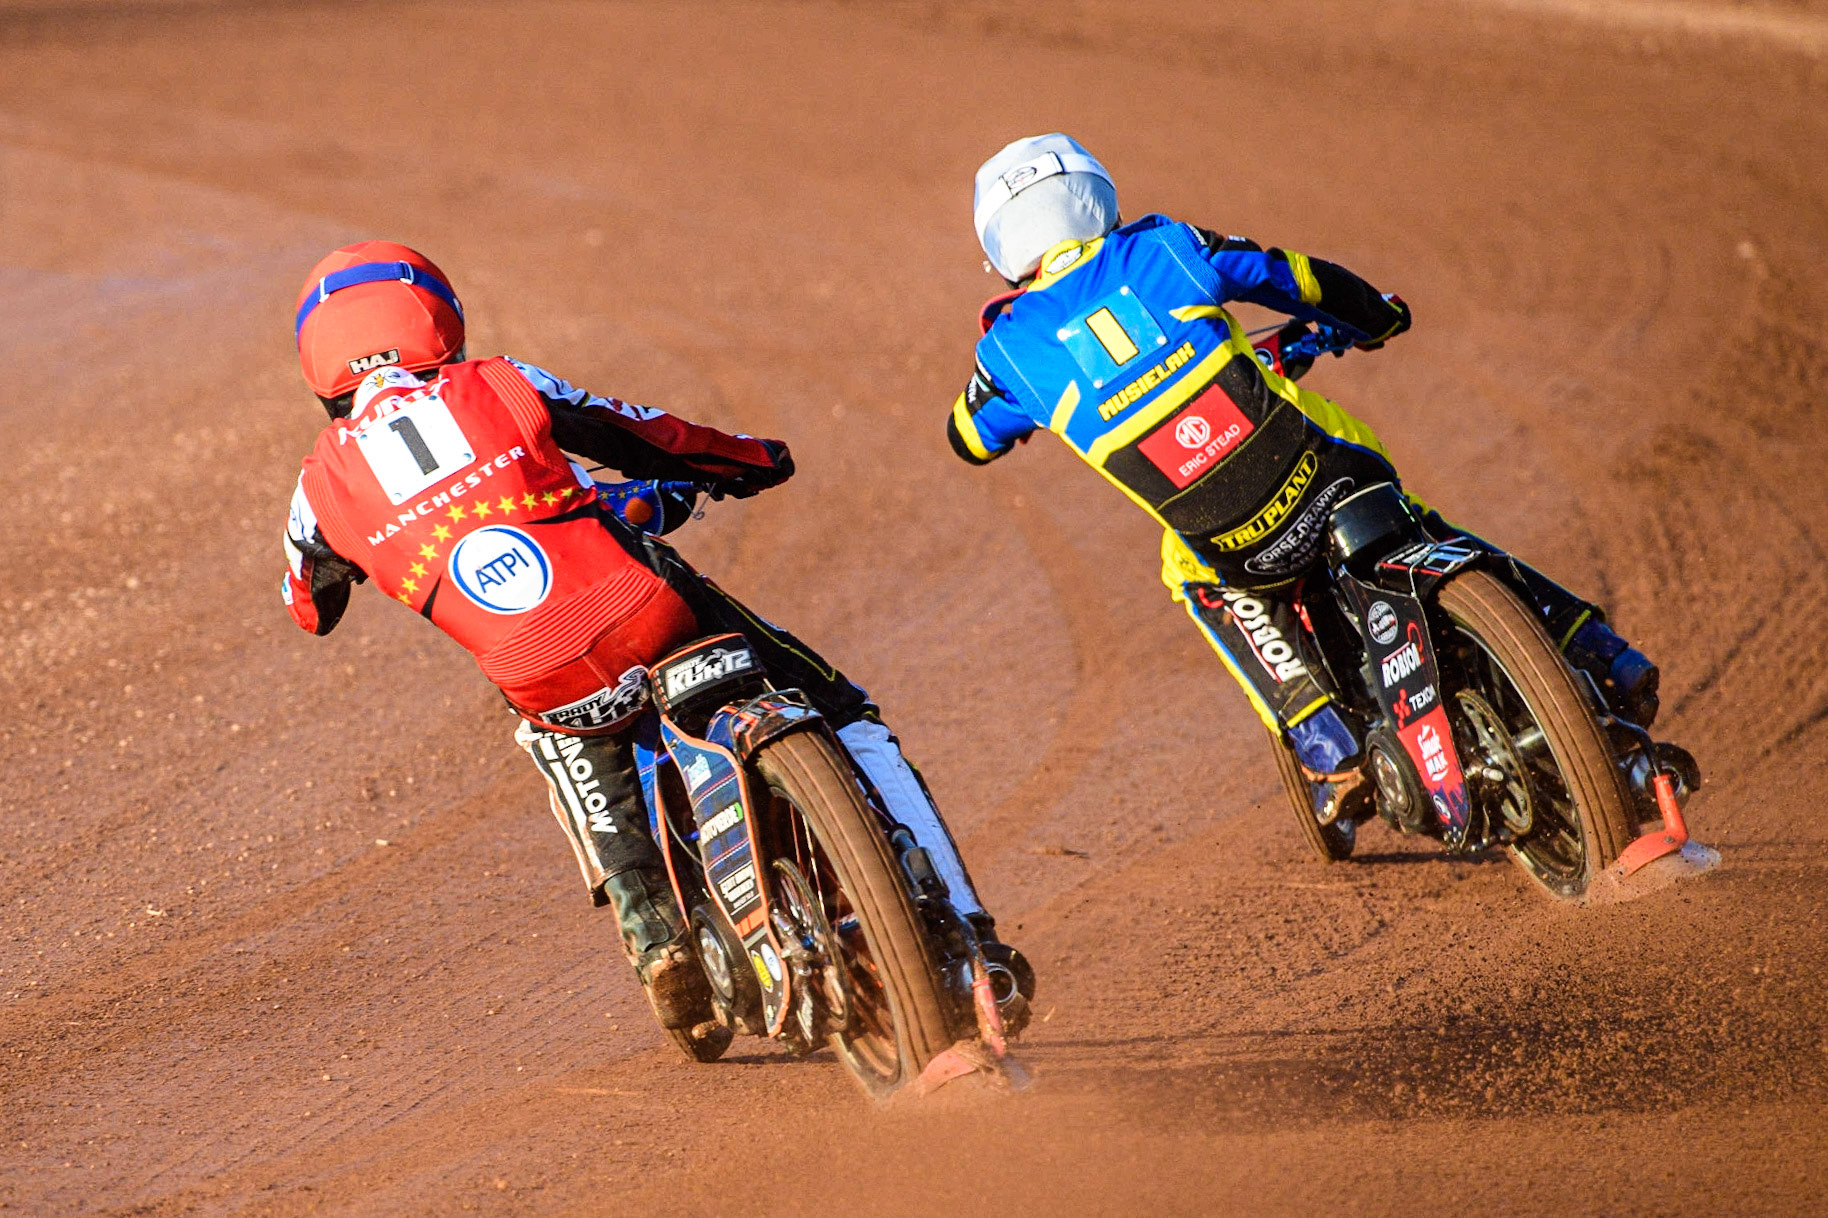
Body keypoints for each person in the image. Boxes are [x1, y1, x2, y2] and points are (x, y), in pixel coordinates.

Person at [282, 241, 1024, 1037]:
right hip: (645, 609)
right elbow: (648, 436)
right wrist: (751, 460)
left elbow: (308, 606)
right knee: (844, 711)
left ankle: (655, 935)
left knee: (558, 727)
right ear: (441, 326)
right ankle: (975, 936)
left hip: (542, 674)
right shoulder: (500, 379)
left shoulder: (315, 491)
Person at [946, 134, 1661, 823]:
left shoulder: (1006, 351)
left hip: (1236, 547)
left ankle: (1329, 749)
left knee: (1191, 573)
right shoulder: (1166, 246)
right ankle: (1595, 648)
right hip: (1329, 480)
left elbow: (969, 439)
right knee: (1402, 510)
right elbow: (1298, 278)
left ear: (1004, 249)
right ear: (1092, 195)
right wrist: (1376, 318)